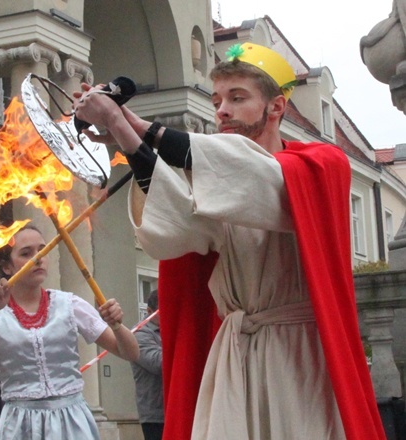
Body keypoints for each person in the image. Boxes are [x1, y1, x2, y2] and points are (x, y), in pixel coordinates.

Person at [74, 42, 384, 439]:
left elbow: (256, 176)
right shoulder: (213, 182)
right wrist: (123, 130)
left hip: (297, 354)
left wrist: (129, 124)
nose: (221, 109)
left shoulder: (320, 164)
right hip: (233, 355)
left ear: (276, 107)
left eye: (238, 98)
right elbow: (175, 226)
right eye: (217, 99)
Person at [0, 224, 139, 439]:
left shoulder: (69, 304)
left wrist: (117, 326)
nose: (38, 258)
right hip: (20, 424)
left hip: (71, 421)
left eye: (42, 251)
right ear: (7, 267)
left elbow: (130, 353)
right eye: (26, 253)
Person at [129, 290, 163, 440]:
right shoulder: (140, 334)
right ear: (149, 311)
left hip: (179, 408)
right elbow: (159, 363)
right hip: (156, 416)